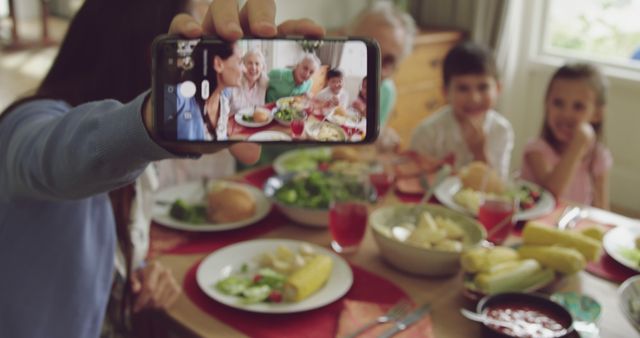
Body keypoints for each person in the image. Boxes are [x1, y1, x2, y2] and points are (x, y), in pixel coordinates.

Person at [0, 0, 324, 337]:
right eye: (198, 38)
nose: (209, 53)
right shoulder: (22, 127)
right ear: (145, 47)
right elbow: (66, 157)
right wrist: (155, 122)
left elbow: (94, 251)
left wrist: (136, 275)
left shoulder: (141, 156)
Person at [409, 41, 514, 179]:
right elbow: (415, 181)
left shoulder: (501, 130)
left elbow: (498, 188)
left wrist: (480, 153)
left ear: (498, 89)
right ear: (445, 92)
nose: (474, 98)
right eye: (463, 88)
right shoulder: (427, 132)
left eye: (483, 87)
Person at [520, 63, 612, 209]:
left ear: (597, 114)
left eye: (578, 106)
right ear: (546, 104)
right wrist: (577, 146)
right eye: (558, 103)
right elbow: (551, 193)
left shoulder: (598, 156)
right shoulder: (536, 151)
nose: (566, 114)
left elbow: (601, 209)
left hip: (572, 227)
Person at [346, 1, 416, 152]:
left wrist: (379, 139)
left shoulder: (386, 92)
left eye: (388, 61)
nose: (376, 70)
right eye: (368, 54)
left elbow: (363, 146)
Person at [201, 41, 243, 140]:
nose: (244, 69)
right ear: (218, 64)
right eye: (240, 62)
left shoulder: (223, 102)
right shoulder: (186, 105)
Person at [229, 48, 269, 114]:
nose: (253, 67)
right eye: (250, 63)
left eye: (257, 64)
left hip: (255, 123)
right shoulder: (233, 83)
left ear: (262, 68)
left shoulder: (264, 84)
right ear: (243, 65)